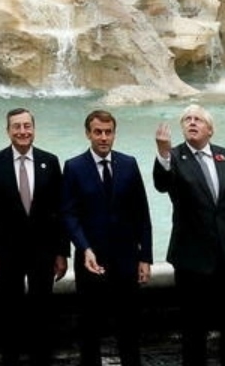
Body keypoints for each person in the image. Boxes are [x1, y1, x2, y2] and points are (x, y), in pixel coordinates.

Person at [152, 104, 225, 366]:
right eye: (187, 119)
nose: (192, 122)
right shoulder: (174, 157)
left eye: (198, 119)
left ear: (210, 129)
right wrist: (163, 153)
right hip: (193, 261)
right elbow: (162, 184)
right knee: (193, 332)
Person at [0, 107, 68, 366]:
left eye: (27, 126)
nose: (22, 131)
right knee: (9, 313)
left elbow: (61, 210)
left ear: (34, 129)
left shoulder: (50, 161)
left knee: (42, 312)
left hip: (43, 252)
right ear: (7, 131)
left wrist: (62, 252)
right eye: (16, 126)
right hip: (7, 253)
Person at [64, 109, 152, 366]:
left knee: (129, 327)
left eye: (108, 132)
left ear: (114, 134)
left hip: (126, 260)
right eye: (98, 132)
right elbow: (69, 214)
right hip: (91, 260)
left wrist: (145, 257)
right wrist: (84, 248)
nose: (103, 137)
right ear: (88, 134)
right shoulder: (74, 167)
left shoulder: (129, 163)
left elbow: (142, 213)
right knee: (89, 327)